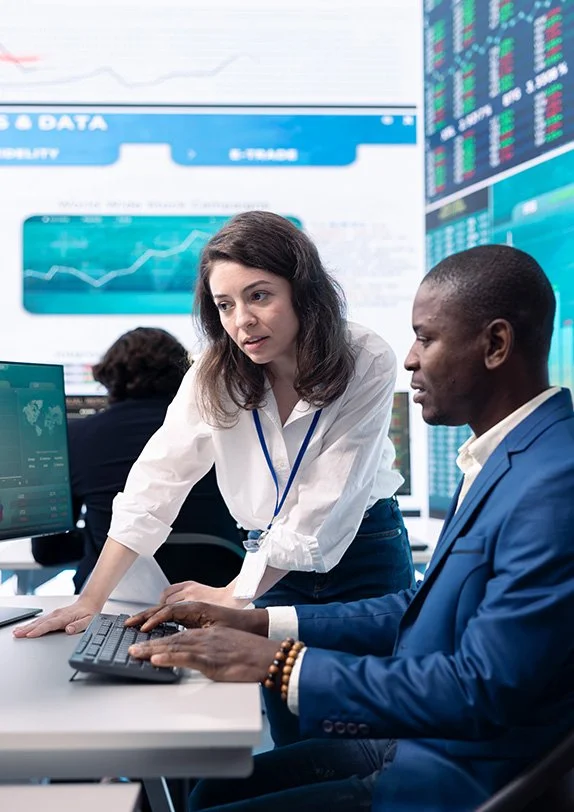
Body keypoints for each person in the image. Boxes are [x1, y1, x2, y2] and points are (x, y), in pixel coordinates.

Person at [123, 244, 574, 811]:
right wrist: (255, 621)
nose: (409, 359)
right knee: (212, 788)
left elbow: (479, 688)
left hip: (447, 775)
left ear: (496, 345)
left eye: (426, 338)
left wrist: (280, 663)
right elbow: (417, 609)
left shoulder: (553, 484)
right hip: (418, 746)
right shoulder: (504, 456)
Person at [16, 210, 414, 737]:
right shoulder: (214, 373)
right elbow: (154, 486)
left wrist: (233, 593)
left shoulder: (365, 357)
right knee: (297, 733)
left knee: (371, 734)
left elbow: (325, 510)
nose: (241, 320)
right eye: (225, 305)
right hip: (270, 563)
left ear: (303, 290)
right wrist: (89, 599)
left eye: (259, 296)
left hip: (364, 553)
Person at [31, 327, 243, 591]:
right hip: (217, 588)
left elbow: (48, 551)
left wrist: (97, 535)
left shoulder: (73, 438)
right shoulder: (222, 432)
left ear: (108, 376)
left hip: (112, 593)